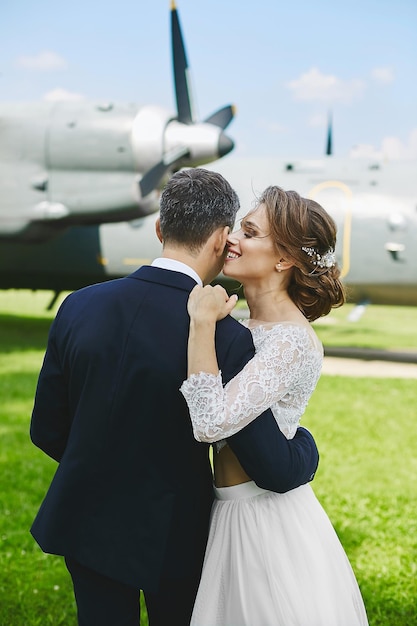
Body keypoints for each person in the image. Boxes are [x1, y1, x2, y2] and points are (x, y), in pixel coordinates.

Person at [29, 169, 319, 626]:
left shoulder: (78, 305)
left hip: (85, 518)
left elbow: (46, 428)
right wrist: (305, 447)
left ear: (159, 228)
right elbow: (268, 461)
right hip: (175, 529)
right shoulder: (227, 336)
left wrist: (102, 469)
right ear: (222, 239)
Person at [180, 185, 369, 625]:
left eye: (249, 231)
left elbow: (210, 422)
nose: (232, 239)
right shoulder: (247, 325)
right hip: (226, 508)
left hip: (263, 520)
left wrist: (201, 324)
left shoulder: (289, 340)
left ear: (283, 259)